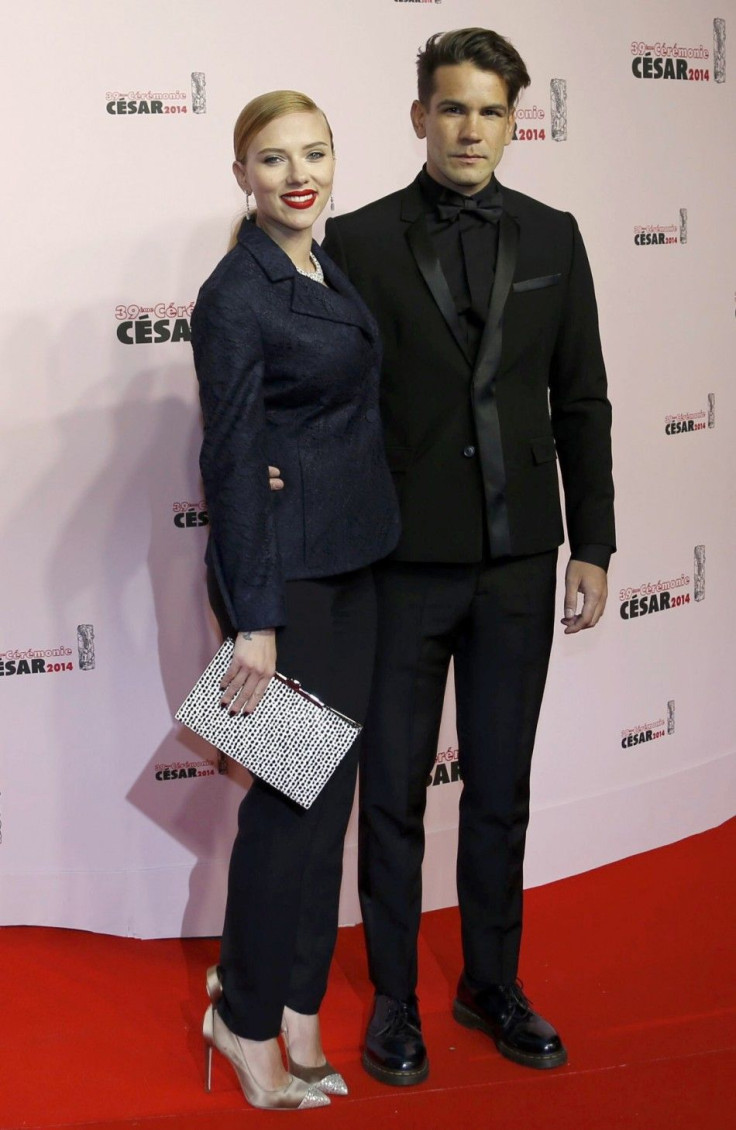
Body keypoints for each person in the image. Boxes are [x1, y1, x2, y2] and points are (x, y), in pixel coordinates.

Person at [322, 27, 615, 1085]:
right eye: (452, 107)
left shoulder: (553, 234)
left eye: (491, 110)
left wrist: (596, 539)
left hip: (517, 564)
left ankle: (491, 981)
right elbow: (327, 398)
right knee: (392, 789)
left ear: (513, 119)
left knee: (500, 788)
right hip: (397, 562)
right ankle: (394, 997)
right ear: (418, 117)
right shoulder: (354, 241)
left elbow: (580, 397)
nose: (471, 129)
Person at [190, 90, 400, 1111]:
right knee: (288, 811)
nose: (295, 173)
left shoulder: (324, 263)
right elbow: (231, 459)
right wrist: (255, 619)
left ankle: (300, 1005)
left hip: (354, 560)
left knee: (326, 812)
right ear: (242, 175)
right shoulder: (236, 293)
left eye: (312, 153)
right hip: (289, 581)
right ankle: (243, 1015)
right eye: (271, 159)